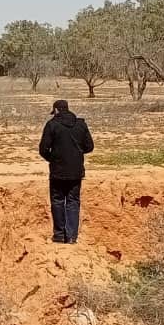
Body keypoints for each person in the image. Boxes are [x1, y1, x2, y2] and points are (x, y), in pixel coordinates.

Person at [39, 99, 94, 244]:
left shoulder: (52, 125)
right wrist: (77, 154)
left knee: (57, 201)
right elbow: (89, 146)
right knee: (73, 202)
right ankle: (71, 236)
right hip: (76, 171)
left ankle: (59, 235)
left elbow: (43, 149)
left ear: (56, 110)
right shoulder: (81, 124)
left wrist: (53, 159)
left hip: (57, 171)